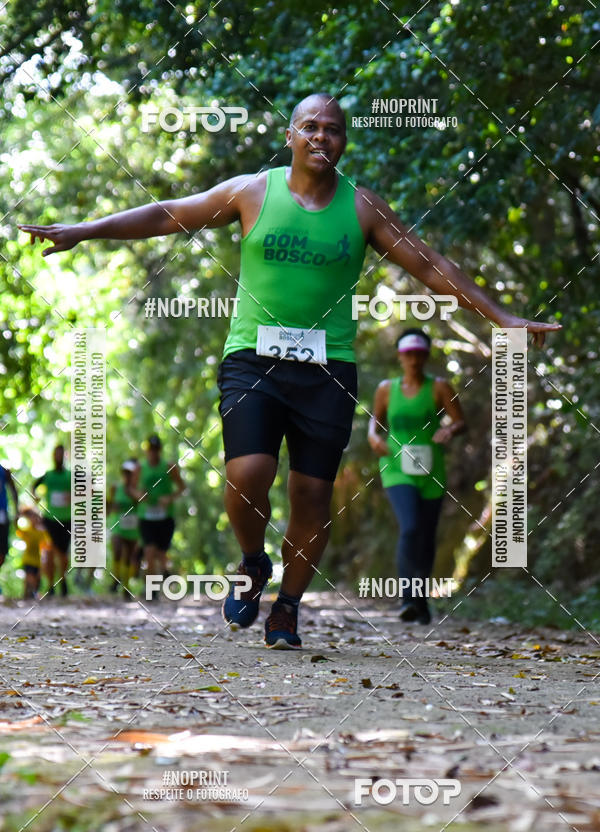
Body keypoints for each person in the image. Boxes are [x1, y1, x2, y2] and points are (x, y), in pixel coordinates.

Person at [18, 93, 560, 647]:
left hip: (327, 369)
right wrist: (87, 229)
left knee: (310, 496)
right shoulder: (253, 191)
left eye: (333, 129)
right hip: (253, 358)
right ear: (291, 137)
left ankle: (288, 608)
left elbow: (429, 265)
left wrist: (502, 317)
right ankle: (253, 561)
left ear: (344, 141)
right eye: (310, 127)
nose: (321, 136)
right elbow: (169, 213)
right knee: (247, 475)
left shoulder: (362, 208)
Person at [368, 328, 466, 624]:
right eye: (408, 354)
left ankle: (421, 602)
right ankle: (407, 598)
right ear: (400, 356)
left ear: (426, 356)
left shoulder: (439, 387)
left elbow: (460, 420)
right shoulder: (387, 389)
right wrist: (373, 436)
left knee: (426, 535)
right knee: (410, 527)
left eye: (419, 354)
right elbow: (375, 422)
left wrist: (449, 429)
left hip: (430, 468)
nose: (414, 359)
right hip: (396, 467)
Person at [126, 436, 184, 595]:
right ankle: (150, 590)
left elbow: (181, 487)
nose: (153, 452)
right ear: (147, 451)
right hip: (146, 517)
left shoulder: (169, 467)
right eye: (150, 449)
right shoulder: (140, 468)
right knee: (149, 552)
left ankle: (165, 573)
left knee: (160, 554)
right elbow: (131, 488)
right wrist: (139, 495)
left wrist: (169, 498)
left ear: (160, 450)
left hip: (165, 517)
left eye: (156, 449)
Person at [32, 445, 71, 596]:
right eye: (56, 454)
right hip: (50, 519)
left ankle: (62, 579)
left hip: (67, 520)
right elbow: (34, 486)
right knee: (50, 552)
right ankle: (50, 584)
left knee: (63, 554)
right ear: (53, 456)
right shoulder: (48, 475)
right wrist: (35, 497)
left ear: (65, 456)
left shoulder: (70, 476)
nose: (59, 456)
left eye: (61, 454)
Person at [107, 459, 140, 598]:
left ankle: (126, 586)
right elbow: (108, 506)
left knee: (129, 557)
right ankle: (116, 578)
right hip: (118, 525)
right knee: (117, 550)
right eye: (125, 473)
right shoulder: (115, 488)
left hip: (132, 527)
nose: (127, 476)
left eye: (130, 473)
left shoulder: (138, 490)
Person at [16, 508, 48, 599]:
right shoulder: (27, 531)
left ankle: (31, 594)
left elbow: (45, 545)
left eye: (35, 517)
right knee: (29, 577)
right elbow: (18, 530)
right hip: (28, 559)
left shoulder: (42, 533)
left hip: (37, 560)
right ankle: (29, 594)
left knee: (37, 579)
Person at [0, 463, 19, 597]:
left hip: (2, 516)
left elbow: (13, 491)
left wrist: (17, 511)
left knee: (2, 552)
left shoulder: (4, 472)